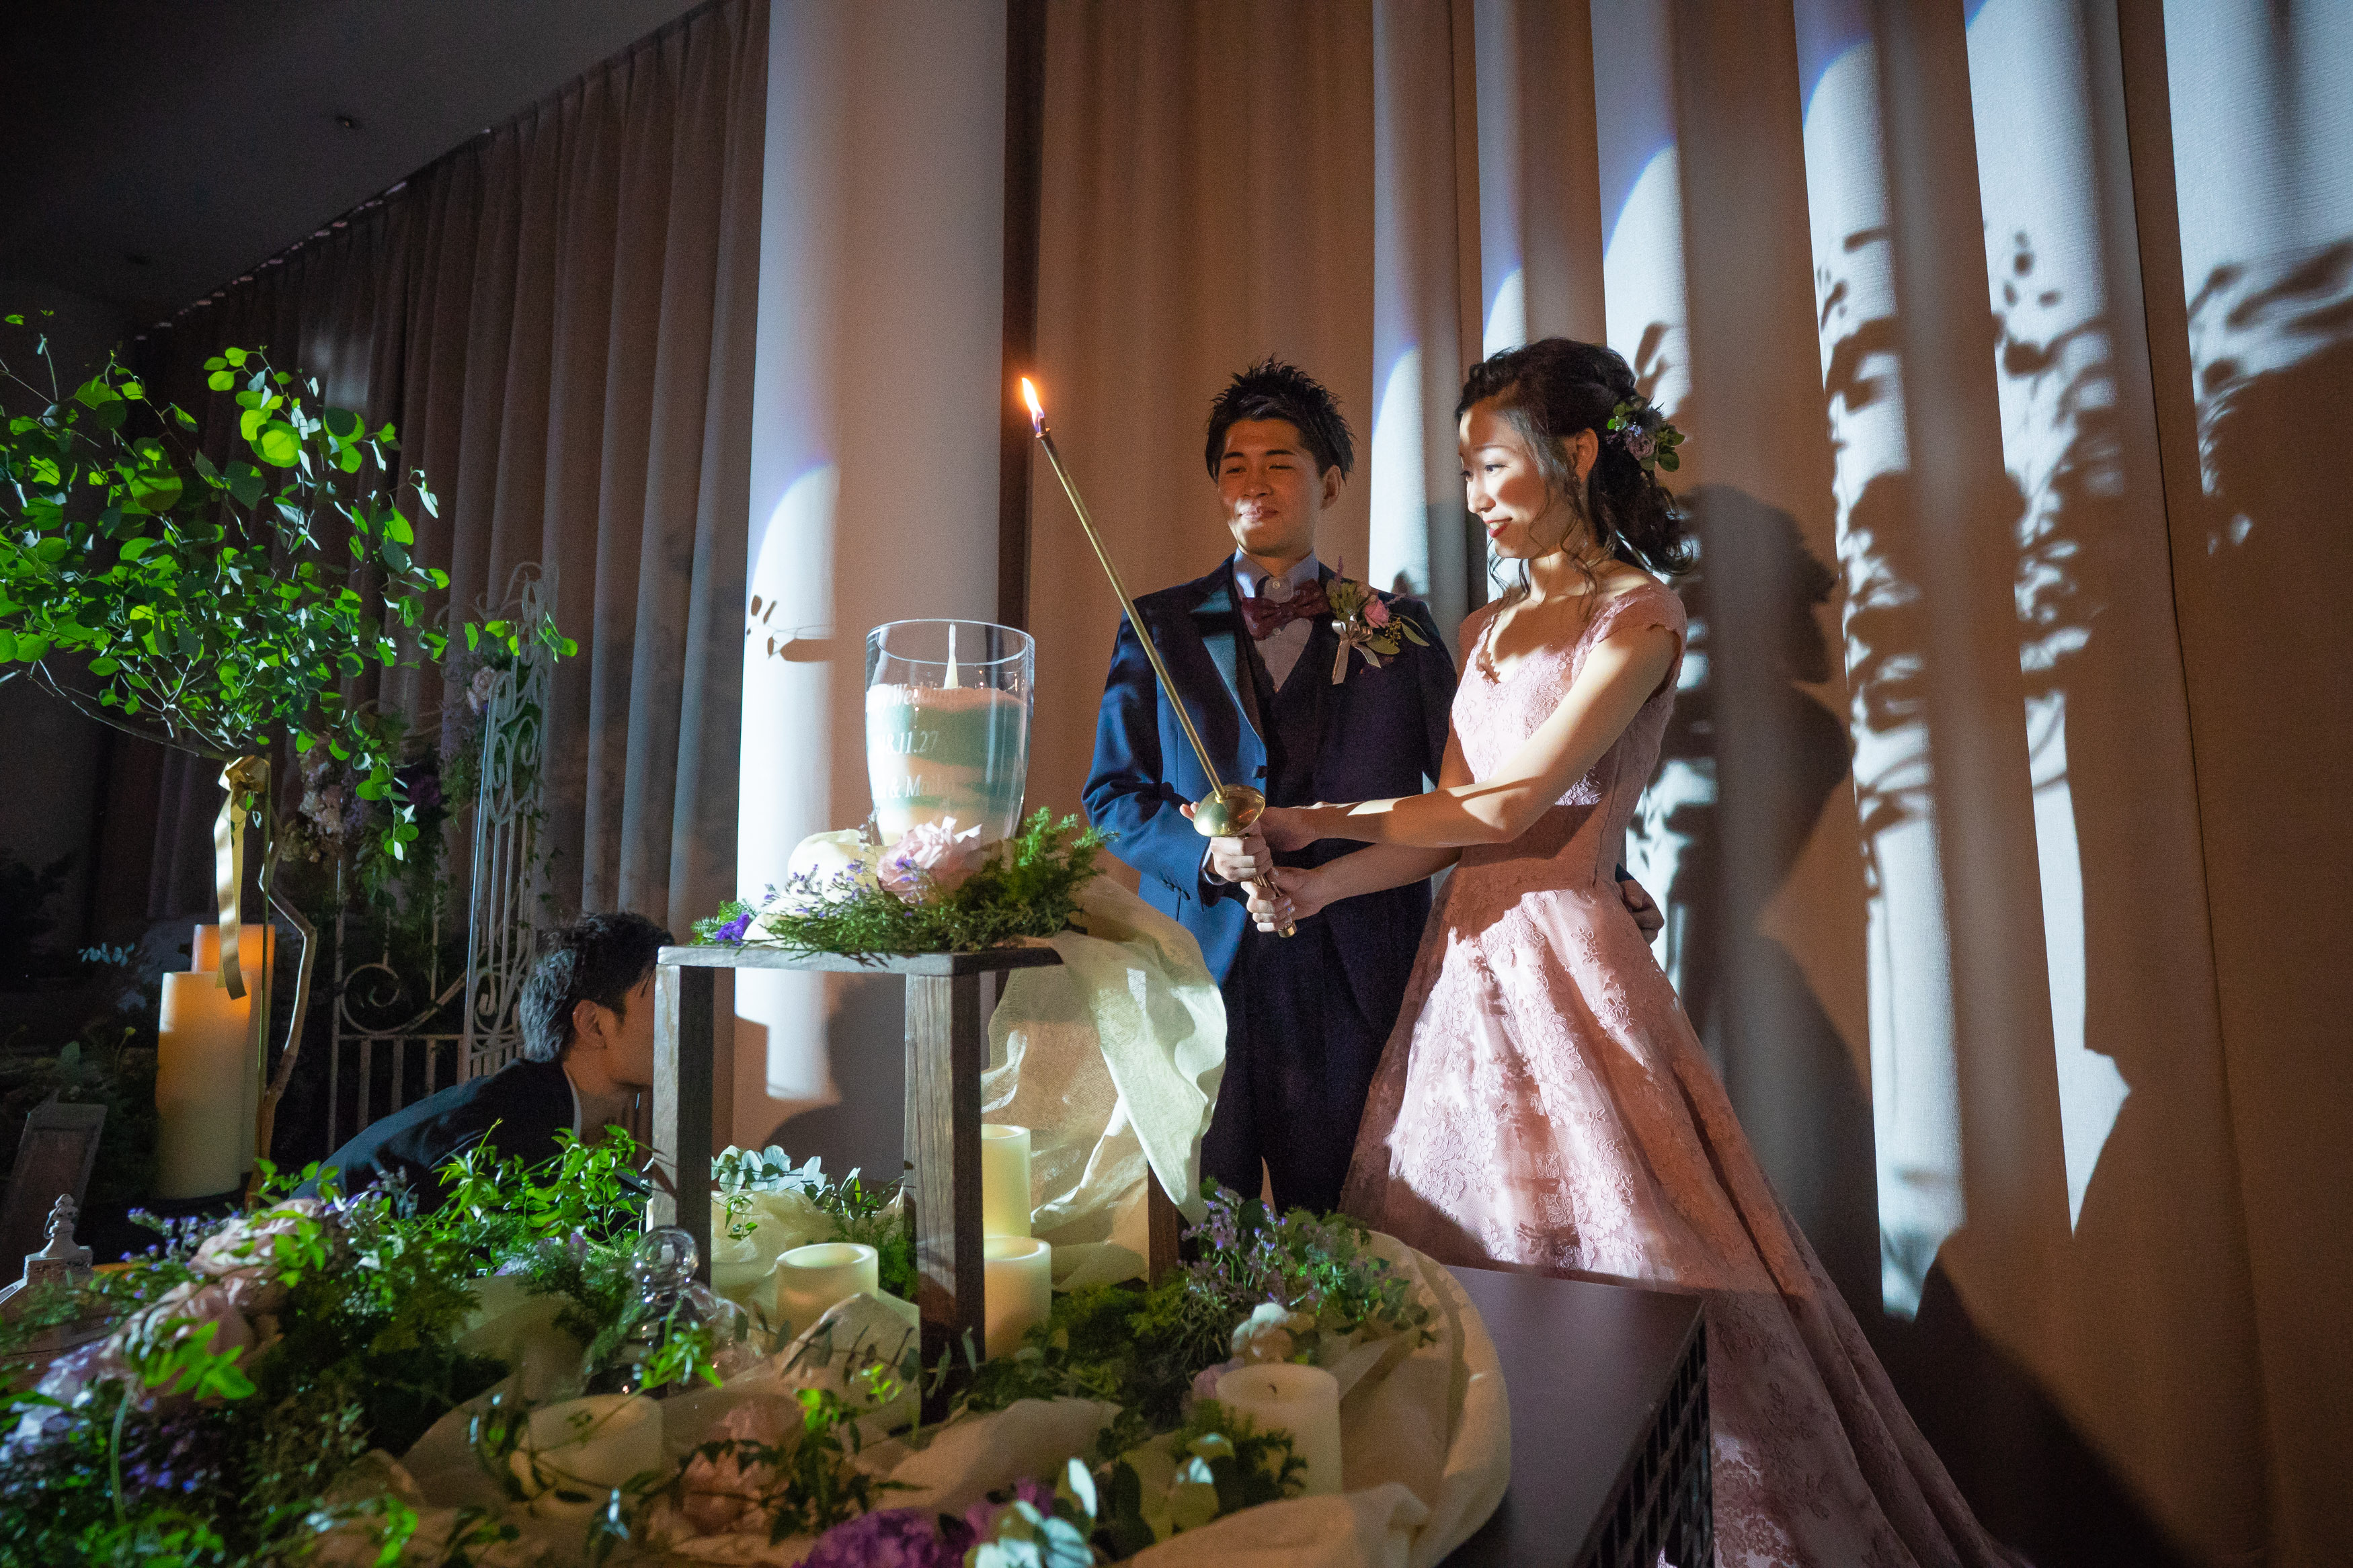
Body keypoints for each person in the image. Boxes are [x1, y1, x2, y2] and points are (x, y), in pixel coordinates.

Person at [1248, 339, 2022, 1567]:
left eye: (1492, 464)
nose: (1476, 494)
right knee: (1468, 1282)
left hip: (1573, 969)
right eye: (1466, 469)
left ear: (1577, 452)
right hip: (1461, 979)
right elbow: (1448, 828)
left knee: (1627, 1288)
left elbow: (1512, 806)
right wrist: (1317, 884)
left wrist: (1310, 816)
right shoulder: (1485, 628)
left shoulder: (1641, 615)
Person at [1083, 358, 1659, 1214]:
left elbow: (1479, 789)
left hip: (1356, 975)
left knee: (1350, 1232)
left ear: (1329, 482)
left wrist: (1603, 869)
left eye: (1278, 462)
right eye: (1234, 466)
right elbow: (1111, 797)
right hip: (1198, 974)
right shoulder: (1155, 624)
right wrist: (1205, 857)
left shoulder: (1402, 628)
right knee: (1195, 1228)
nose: (1253, 483)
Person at [307, 912, 670, 1210]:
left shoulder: (533, 1106)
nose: (678, 1019)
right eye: (663, 999)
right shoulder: (510, 1132)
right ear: (593, 1024)